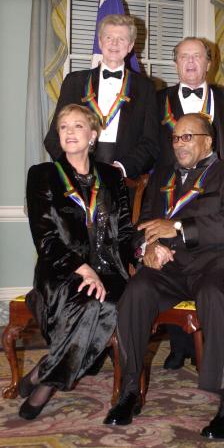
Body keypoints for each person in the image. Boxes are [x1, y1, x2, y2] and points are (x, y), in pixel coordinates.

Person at [103, 113, 224, 439]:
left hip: (219, 265)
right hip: (172, 268)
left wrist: (177, 228)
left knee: (212, 295)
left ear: (208, 141)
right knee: (137, 289)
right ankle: (130, 391)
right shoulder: (161, 178)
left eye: (188, 137)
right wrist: (146, 249)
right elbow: (139, 230)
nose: (179, 144)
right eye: (175, 138)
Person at [19, 104, 134, 420]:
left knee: (112, 303)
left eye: (78, 126)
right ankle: (45, 386)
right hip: (61, 270)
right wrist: (81, 269)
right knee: (89, 304)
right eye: (64, 127)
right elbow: (44, 238)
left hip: (110, 270)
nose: (70, 132)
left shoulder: (111, 176)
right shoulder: (42, 174)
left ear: (93, 135)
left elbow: (124, 232)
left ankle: (43, 372)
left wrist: (150, 250)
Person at [157, 36, 224, 370]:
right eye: (183, 57)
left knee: (209, 269)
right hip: (171, 193)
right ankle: (179, 346)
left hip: (214, 197)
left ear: (210, 63)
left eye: (197, 57)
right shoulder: (156, 100)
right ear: (176, 64)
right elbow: (153, 147)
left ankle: (213, 351)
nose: (190, 63)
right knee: (172, 263)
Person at [44, 14, 159, 178]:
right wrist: (74, 167)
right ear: (100, 42)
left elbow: (151, 143)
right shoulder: (74, 82)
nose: (114, 43)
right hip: (76, 177)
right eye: (109, 37)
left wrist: (122, 169)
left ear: (131, 45)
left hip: (124, 178)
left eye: (121, 39)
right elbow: (53, 138)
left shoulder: (145, 87)